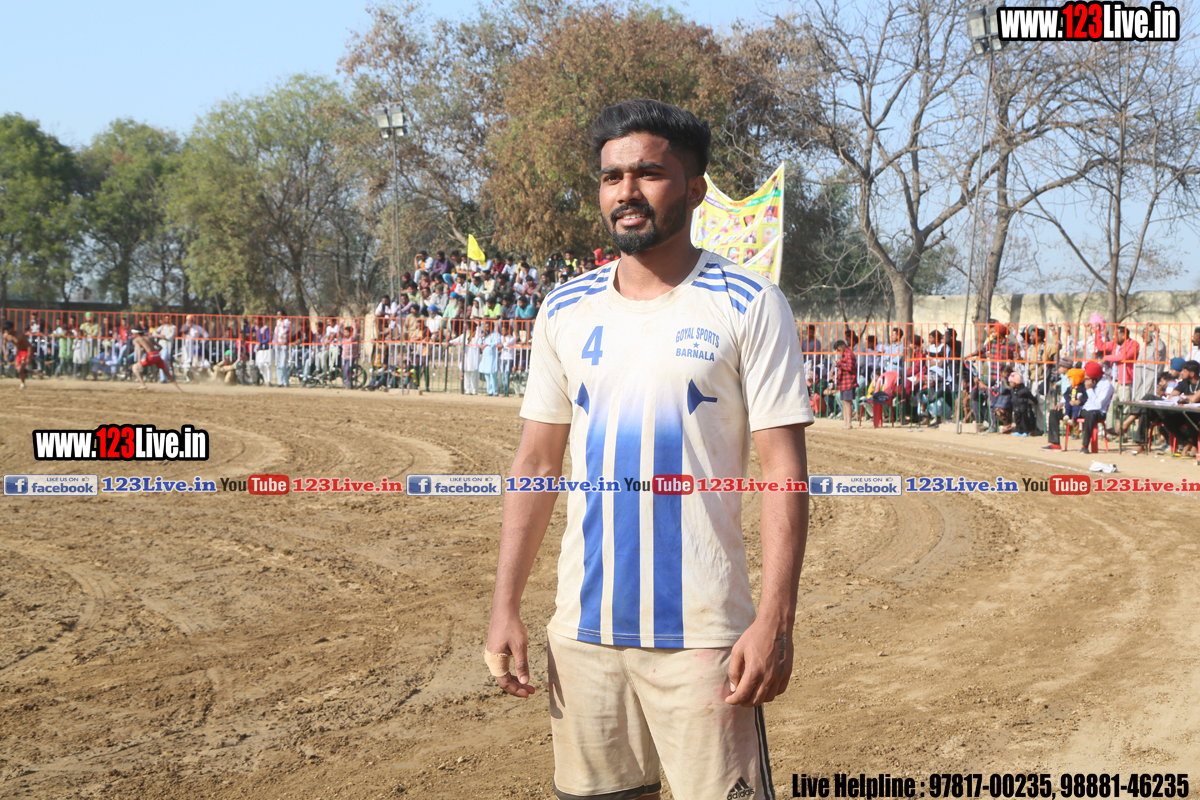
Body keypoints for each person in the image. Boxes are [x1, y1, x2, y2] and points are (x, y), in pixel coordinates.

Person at [485, 99, 812, 800]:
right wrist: (505, 602)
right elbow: (536, 463)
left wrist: (776, 620)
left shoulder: (750, 303)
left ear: (695, 190)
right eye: (612, 177)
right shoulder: (564, 309)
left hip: (703, 637)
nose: (626, 192)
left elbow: (784, 472)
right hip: (582, 633)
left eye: (649, 174)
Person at [129, 327, 183, 392]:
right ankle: (179, 389)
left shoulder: (136, 340)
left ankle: (143, 384)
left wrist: (139, 362)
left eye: (133, 333)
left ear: (136, 333)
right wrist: (155, 354)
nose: (132, 334)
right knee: (167, 373)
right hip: (157, 355)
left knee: (135, 367)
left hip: (150, 356)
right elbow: (160, 347)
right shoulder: (149, 338)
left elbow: (139, 350)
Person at [1078, 360, 1114, 454]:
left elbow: (1099, 405)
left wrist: (1089, 389)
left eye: (1087, 375)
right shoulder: (1087, 381)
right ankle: (1055, 443)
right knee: (1055, 412)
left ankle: (1085, 446)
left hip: (1099, 412)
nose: (1085, 377)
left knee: (1091, 414)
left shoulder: (1106, 386)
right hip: (1085, 409)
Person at [833, 339, 857, 429]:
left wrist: (840, 364)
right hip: (844, 381)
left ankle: (849, 423)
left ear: (843, 346)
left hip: (849, 381)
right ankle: (846, 422)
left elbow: (850, 367)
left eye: (839, 350)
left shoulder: (849, 354)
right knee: (844, 402)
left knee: (847, 402)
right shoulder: (845, 355)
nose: (839, 352)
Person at [2, 320, 32, 389]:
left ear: (12, 328)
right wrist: (5, 353)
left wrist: (28, 357)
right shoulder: (6, 335)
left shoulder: (20, 336)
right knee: (19, 370)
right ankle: (31, 375)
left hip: (26, 351)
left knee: (20, 369)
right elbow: (4, 344)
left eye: (8, 329)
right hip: (19, 352)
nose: (7, 331)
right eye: (6, 329)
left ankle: (23, 384)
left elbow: (29, 346)